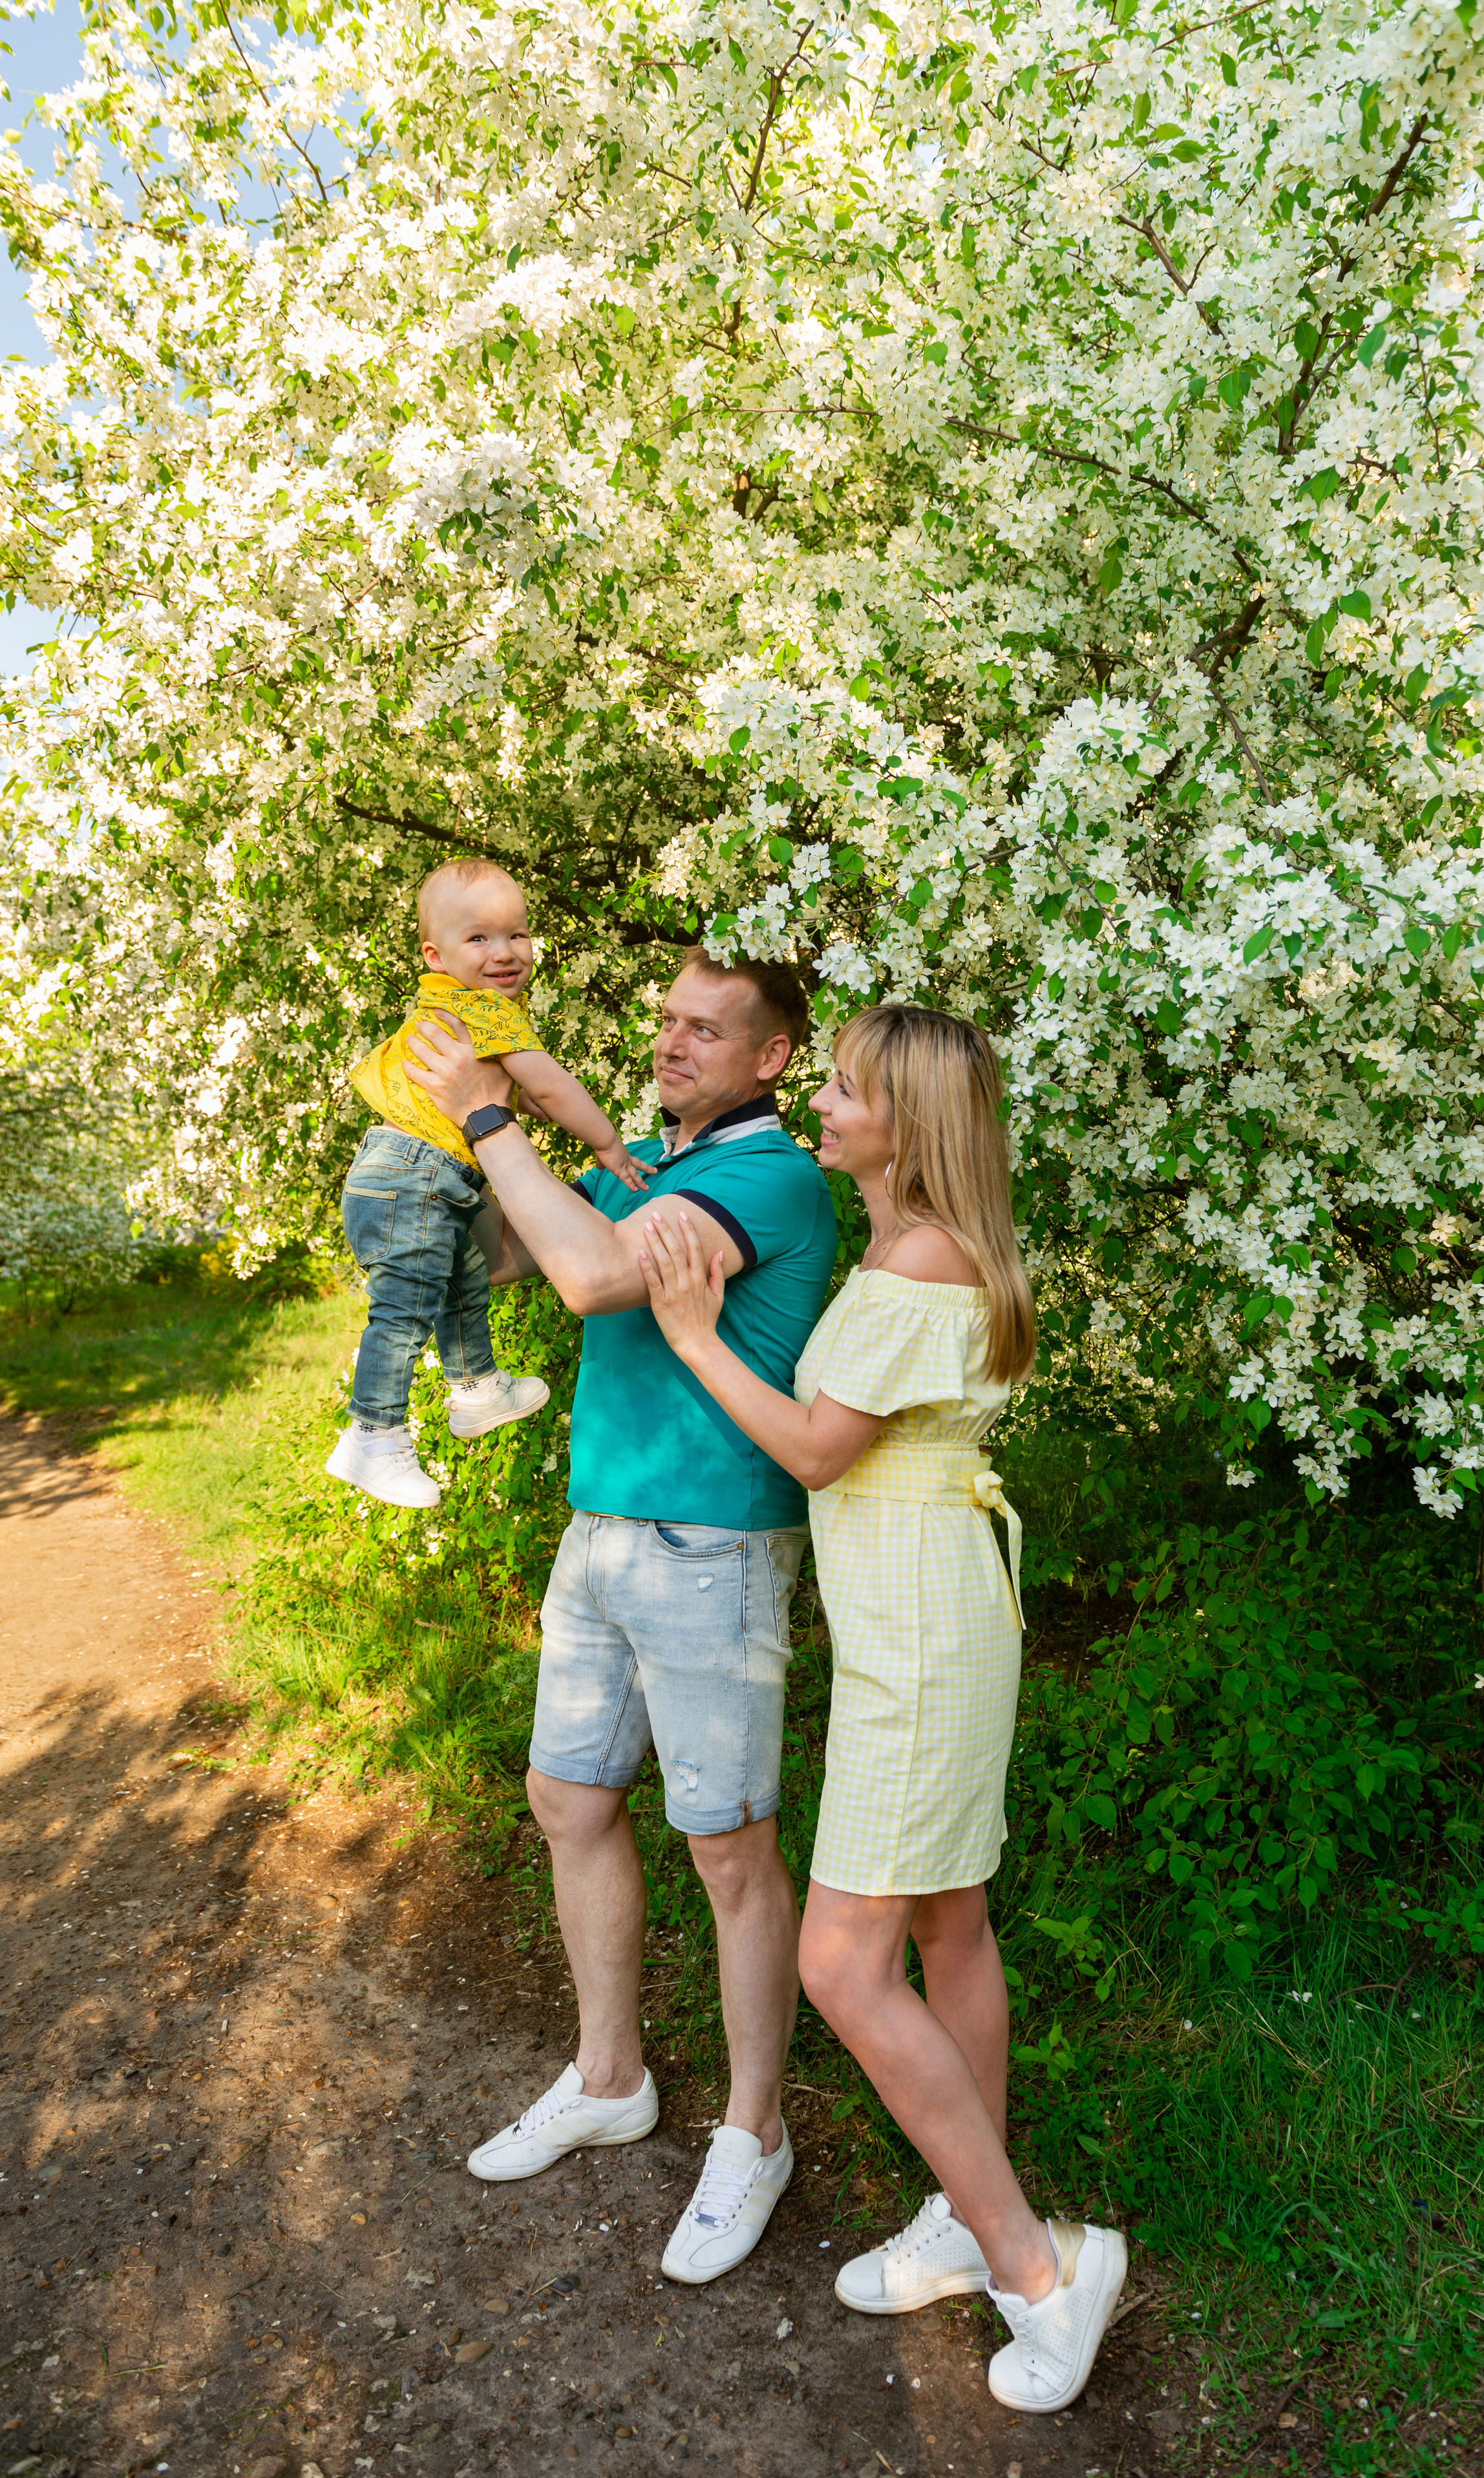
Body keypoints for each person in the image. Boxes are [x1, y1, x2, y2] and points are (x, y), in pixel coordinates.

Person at [634, 1004, 1129, 2415]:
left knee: (844, 1966)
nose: (826, 1107)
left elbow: (809, 1449)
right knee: (946, 1919)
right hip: (939, 1611)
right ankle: (975, 2225)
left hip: (917, 1638)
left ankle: (1038, 2270)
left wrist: (690, 1330)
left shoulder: (914, 1264)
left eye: (846, 1091)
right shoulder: (926, 1251)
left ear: (907, 1126)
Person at [401, 949, 838, 2285]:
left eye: (707, 1031)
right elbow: (517, 1259)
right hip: (601, 1528)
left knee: (729, 1850)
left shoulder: (770, 1176)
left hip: (718, 1545)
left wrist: (493, 1116)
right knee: (568, 1802)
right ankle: (608, 2076)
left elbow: (595, 1279)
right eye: (665, 1022)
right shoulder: (645, 1154)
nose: (671, 1044)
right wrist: (438, 1143)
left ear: (769, 1060)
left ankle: (752, 2134)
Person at [329, 858, 650, 1512]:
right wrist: (607, 1143)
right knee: (404, 1309)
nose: (505, 953)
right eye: (479, 939)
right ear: (436, 954)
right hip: (417, 1173)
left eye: (517, 934)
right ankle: (374, 1435)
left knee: (460, 1277)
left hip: (402, 1171)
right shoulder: (484, 1009)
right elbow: (549, 1086)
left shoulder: (450, 1004)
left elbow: (512, 1092)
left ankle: (474, 1387)